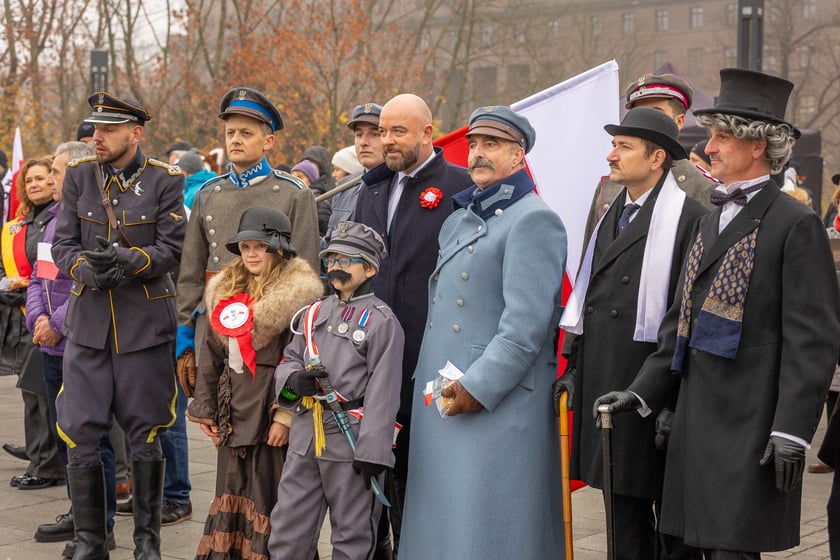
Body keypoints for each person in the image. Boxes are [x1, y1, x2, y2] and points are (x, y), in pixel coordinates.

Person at [595, 68, 840, 557]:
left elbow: (811, 340)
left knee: (732, 550)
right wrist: (641, 393)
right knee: (688, 546)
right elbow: (677, 328)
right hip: (694, 419)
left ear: (757, 146)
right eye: (711, 135)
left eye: (722, 137)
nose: (709, 148)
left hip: (752, 422)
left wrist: (792, 429)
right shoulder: (709, 220)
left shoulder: (796, 223)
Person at [399, 106, 567, 558]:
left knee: (486, 526)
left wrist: (476, 387)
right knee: (440, 522)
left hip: (491, 399)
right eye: (474, 144)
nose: (477, 153)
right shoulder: (462, 218)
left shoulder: (534, 219)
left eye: (491, 145)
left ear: (518, 155)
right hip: (443, 392)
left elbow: (525, 329)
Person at [555, 107, 707, 560]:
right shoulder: (610, 213)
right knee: (622, 520)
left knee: (674, 531)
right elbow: (588, 294)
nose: (611, 156)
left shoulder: (691, 218)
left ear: (657, 157)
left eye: (623, 147)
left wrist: (669, 400)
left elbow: (686, 318)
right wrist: (574, 366)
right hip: (608, 383)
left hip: (654, 393)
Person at [51, 91, 187, 559]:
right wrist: (87, 271)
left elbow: (172, 249)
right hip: (88, 326)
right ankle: (91, 540)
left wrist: (127, 261)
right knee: (80, 431)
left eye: (108, 129)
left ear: (136, 132)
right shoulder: (77, 176)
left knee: (146, 431)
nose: (97, 137)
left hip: (143, 326)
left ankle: (146, 544)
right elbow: (64, 243)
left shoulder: (165, 180)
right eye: (94, 128)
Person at [354, 92, 471, 553]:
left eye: (398, 130)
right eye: (382, 131)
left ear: (428, 133)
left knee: (415, 480)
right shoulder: (372, 189)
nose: (386, 140)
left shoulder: (459, 186)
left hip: (427, 355)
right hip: (370, 357)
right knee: (369, 477)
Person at [187, 207, 322, 559]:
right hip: (233, 410)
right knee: (231, 486)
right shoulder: (227, 289)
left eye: (259, 247)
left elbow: (305, 360)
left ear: (277, 249)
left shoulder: (298, 298)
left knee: (269, 492)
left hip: (269, 407)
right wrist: (206, 408)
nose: (250, 254)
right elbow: (211, 353)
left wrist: (286, 415)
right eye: (245, 246)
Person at [268, 221, 403, 560]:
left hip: (352, 442)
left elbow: (383, 393)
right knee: (288, 530)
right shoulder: (314, 312)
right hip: (304, 437)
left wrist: (374, 454)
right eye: (332, 259)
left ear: (369, 267)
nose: (337, 267)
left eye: (347, 260)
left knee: (353, 536)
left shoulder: (381, 321)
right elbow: (289, 359)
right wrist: (292, 381)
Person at [175, 86, 320, 400]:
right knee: (216, 425)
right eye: (230, 132)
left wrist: (302, 346)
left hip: (272, 332)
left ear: (268, 141)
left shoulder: (295, 193)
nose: (235, 139)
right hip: (213, 330)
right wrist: (185, 337)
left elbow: (308, 276)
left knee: (268, 431)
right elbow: (190, 273)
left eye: (245, 132)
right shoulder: (207, 194)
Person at [25, 142, 122, 557]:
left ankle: (101, 527)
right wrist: (36, 320)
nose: (50, 179)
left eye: (58, 172)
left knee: (90, 438)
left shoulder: (97, 221)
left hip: (80, 344)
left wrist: (57, 324)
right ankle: (78, 512)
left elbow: (93, 286)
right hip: (49, 348)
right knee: (67, 435)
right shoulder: (53, 221)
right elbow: (37, 278)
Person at [584, 73, 716, 242]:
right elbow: (590, 258)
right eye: (638, 112)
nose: (644, 122)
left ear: (680, 121)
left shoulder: (703, 189)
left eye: (656, 113)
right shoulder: (609, 186)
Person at [1, 157, 66, 490]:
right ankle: (41, 457)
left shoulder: (57, 220)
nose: (37, 184)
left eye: (43, 177)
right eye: (30, 181)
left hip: (52, 318)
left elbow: (47, 276)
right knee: (33, 394)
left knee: (44, 396)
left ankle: (48, 463)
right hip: (27, 315)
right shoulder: (19, 224)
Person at [324, 103, 383, 242]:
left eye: (374, 134)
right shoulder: (344, 189)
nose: (363, 142)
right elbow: (329, 245)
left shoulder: (400, 187)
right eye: (359, 134)